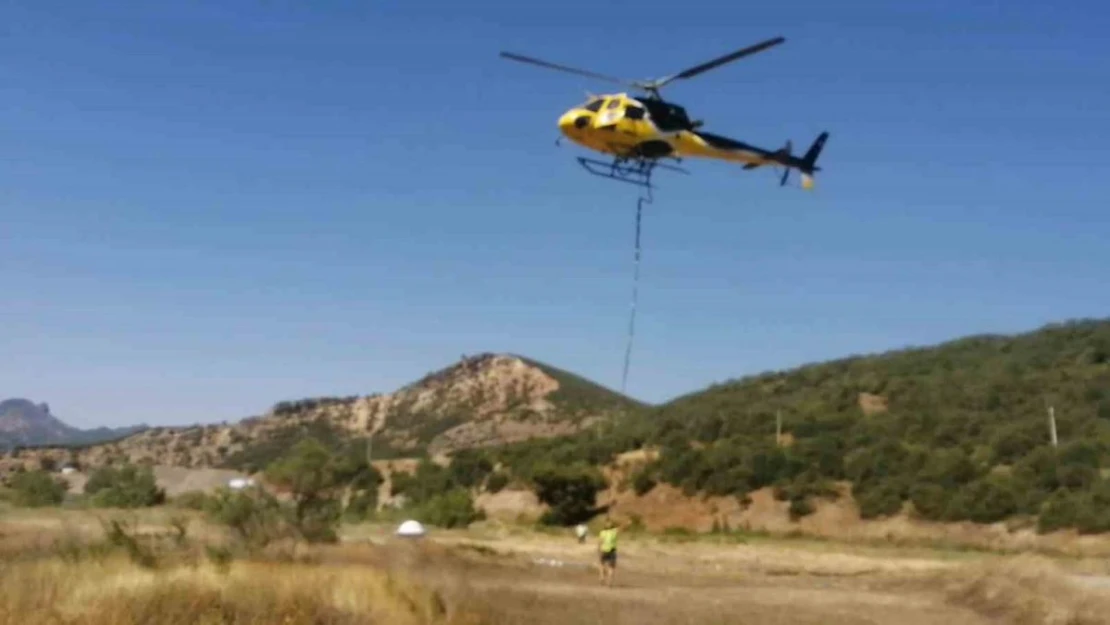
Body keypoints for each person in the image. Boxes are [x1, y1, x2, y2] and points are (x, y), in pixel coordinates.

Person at [597, 518, 620, 586]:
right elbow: (622, 528)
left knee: (602, 564)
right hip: (612, 550)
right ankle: (609, 581)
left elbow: (600, 542)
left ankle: (602, 577)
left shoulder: (603, 532)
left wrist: (599, 550)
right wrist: (627, 522)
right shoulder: (614, 531)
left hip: (604, 550)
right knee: (611, 567)